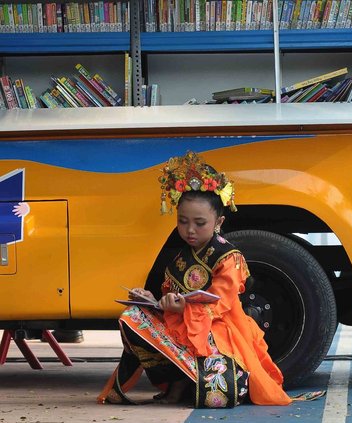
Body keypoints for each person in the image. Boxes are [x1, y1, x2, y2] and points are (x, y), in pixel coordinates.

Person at [97, 151, 296, 408]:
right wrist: (152, 301)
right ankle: (178, 381)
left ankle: (186, 382)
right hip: (186, 321)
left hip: (220, 329)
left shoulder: (228, 257)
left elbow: (220, 303)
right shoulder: (182, 256)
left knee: (216, 395)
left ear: (218, 222)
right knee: (134, 317)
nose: (190, 230)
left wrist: (184, 308)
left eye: (199, 223)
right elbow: (170, 296)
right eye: (183, 222)